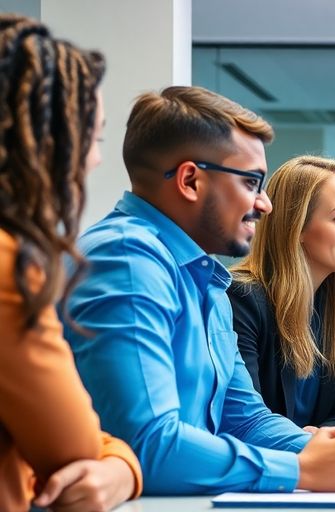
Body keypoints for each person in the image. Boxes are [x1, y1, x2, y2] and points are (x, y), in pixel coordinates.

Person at [64, 86, 335, 494]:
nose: (265, 205)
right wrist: (301, 470)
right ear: (191, 180)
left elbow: (243, 418)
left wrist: (321, 448)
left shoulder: (206, 277)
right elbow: (149, 444)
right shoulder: (126, 260)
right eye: (252, 182)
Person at [0, 15, 142, 512]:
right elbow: (74, 453)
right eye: (94, 138)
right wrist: (123, 463)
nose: (96, 160)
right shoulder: (9, 265)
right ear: (44, 143)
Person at [229, 156, 335, 430]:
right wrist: (305, 442)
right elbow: (244, 417)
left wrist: (322, 436)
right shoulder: (241, 297)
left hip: (317, 466)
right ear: (297, 227)